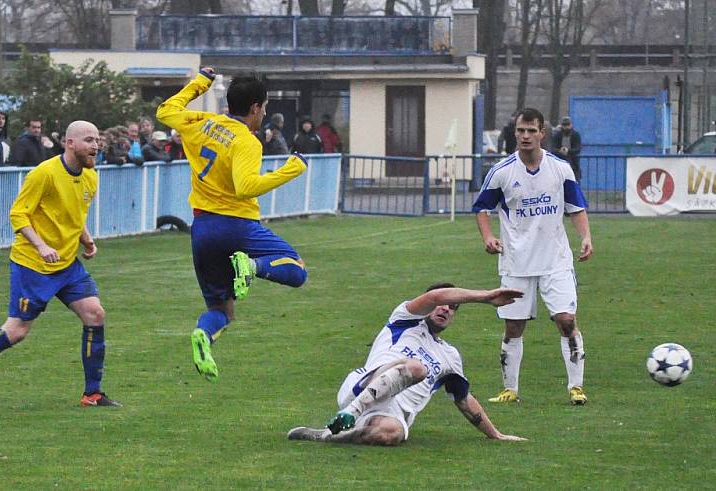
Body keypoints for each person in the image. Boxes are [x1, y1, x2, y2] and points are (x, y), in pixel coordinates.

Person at [0, 120, 121, 408]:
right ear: (69, 143)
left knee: (95, 314)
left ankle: (92, 394)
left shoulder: (90, 177)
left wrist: (87, 239)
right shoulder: (44, 174)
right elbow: (19, 215)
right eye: (88, 140)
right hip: (32, 264)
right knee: (17, 331)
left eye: (97, 140)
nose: (95, 145)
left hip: (66, 265)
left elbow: (74, 214)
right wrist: (42, 245)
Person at [156, 67, 308, 381]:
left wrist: (200, 82)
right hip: (237, 226)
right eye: (264, 107)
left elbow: (165, 110)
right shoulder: (247, 142)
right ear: (254, 108)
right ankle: (252, 267)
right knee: (297, 269)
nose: (264, 113)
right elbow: (245, 187)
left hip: (202, 230)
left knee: (222, 311)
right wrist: (291, 170)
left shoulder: (202, 123)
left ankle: (203, 336)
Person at [287, 283, 527, 445]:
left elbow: (464, 400)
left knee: (393, 434)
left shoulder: (450, 355)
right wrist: (486, 296)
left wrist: (496, 435)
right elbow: (435, 296)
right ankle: (351, 412)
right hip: (364, 386)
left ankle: (328, 436)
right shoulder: (405, 319)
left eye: (453, 307)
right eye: (443, 303)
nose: (445, 308)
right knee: (416, 368)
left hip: (390, 410)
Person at [472, 107, 593, 405]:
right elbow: (481, 209)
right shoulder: (501, 172)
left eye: (531, 130)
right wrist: (488, 237)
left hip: (556, 261)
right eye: (520, 130)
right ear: (515, 132)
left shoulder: (560, 168)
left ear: (542, 133)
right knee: (513, 327)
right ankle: (509, 389)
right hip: (517, 263)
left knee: (566, 320)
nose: (525, 136)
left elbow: (575, 207)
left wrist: (586, 237)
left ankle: (576, 388)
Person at [551, 116, 582, 181]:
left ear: (571, 124)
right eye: (564, 125)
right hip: (559, 164)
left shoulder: (576, 135)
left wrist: (568, 151)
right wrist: (560, 151)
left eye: (568, 125)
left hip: (573, 163)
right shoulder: (557, 135)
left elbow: (578, 148)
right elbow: (553, 148)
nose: (566, 127)